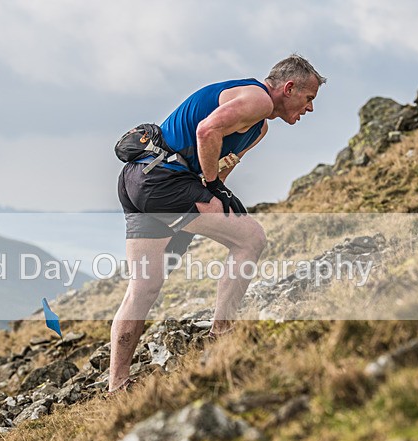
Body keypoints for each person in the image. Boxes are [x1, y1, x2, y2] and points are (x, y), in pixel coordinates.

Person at [109, 55, 325, 392]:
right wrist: (210, 185)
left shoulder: (259, 127)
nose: (310, 108)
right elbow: (206, 131)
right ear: (289, 88)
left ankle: (117, 383)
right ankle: (222, 335)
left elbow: (221, 166)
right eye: (309, 98)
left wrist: (215, 185)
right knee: (250, 239)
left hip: (138, 180)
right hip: (163, 180)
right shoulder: (257, 99)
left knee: (143, 289)